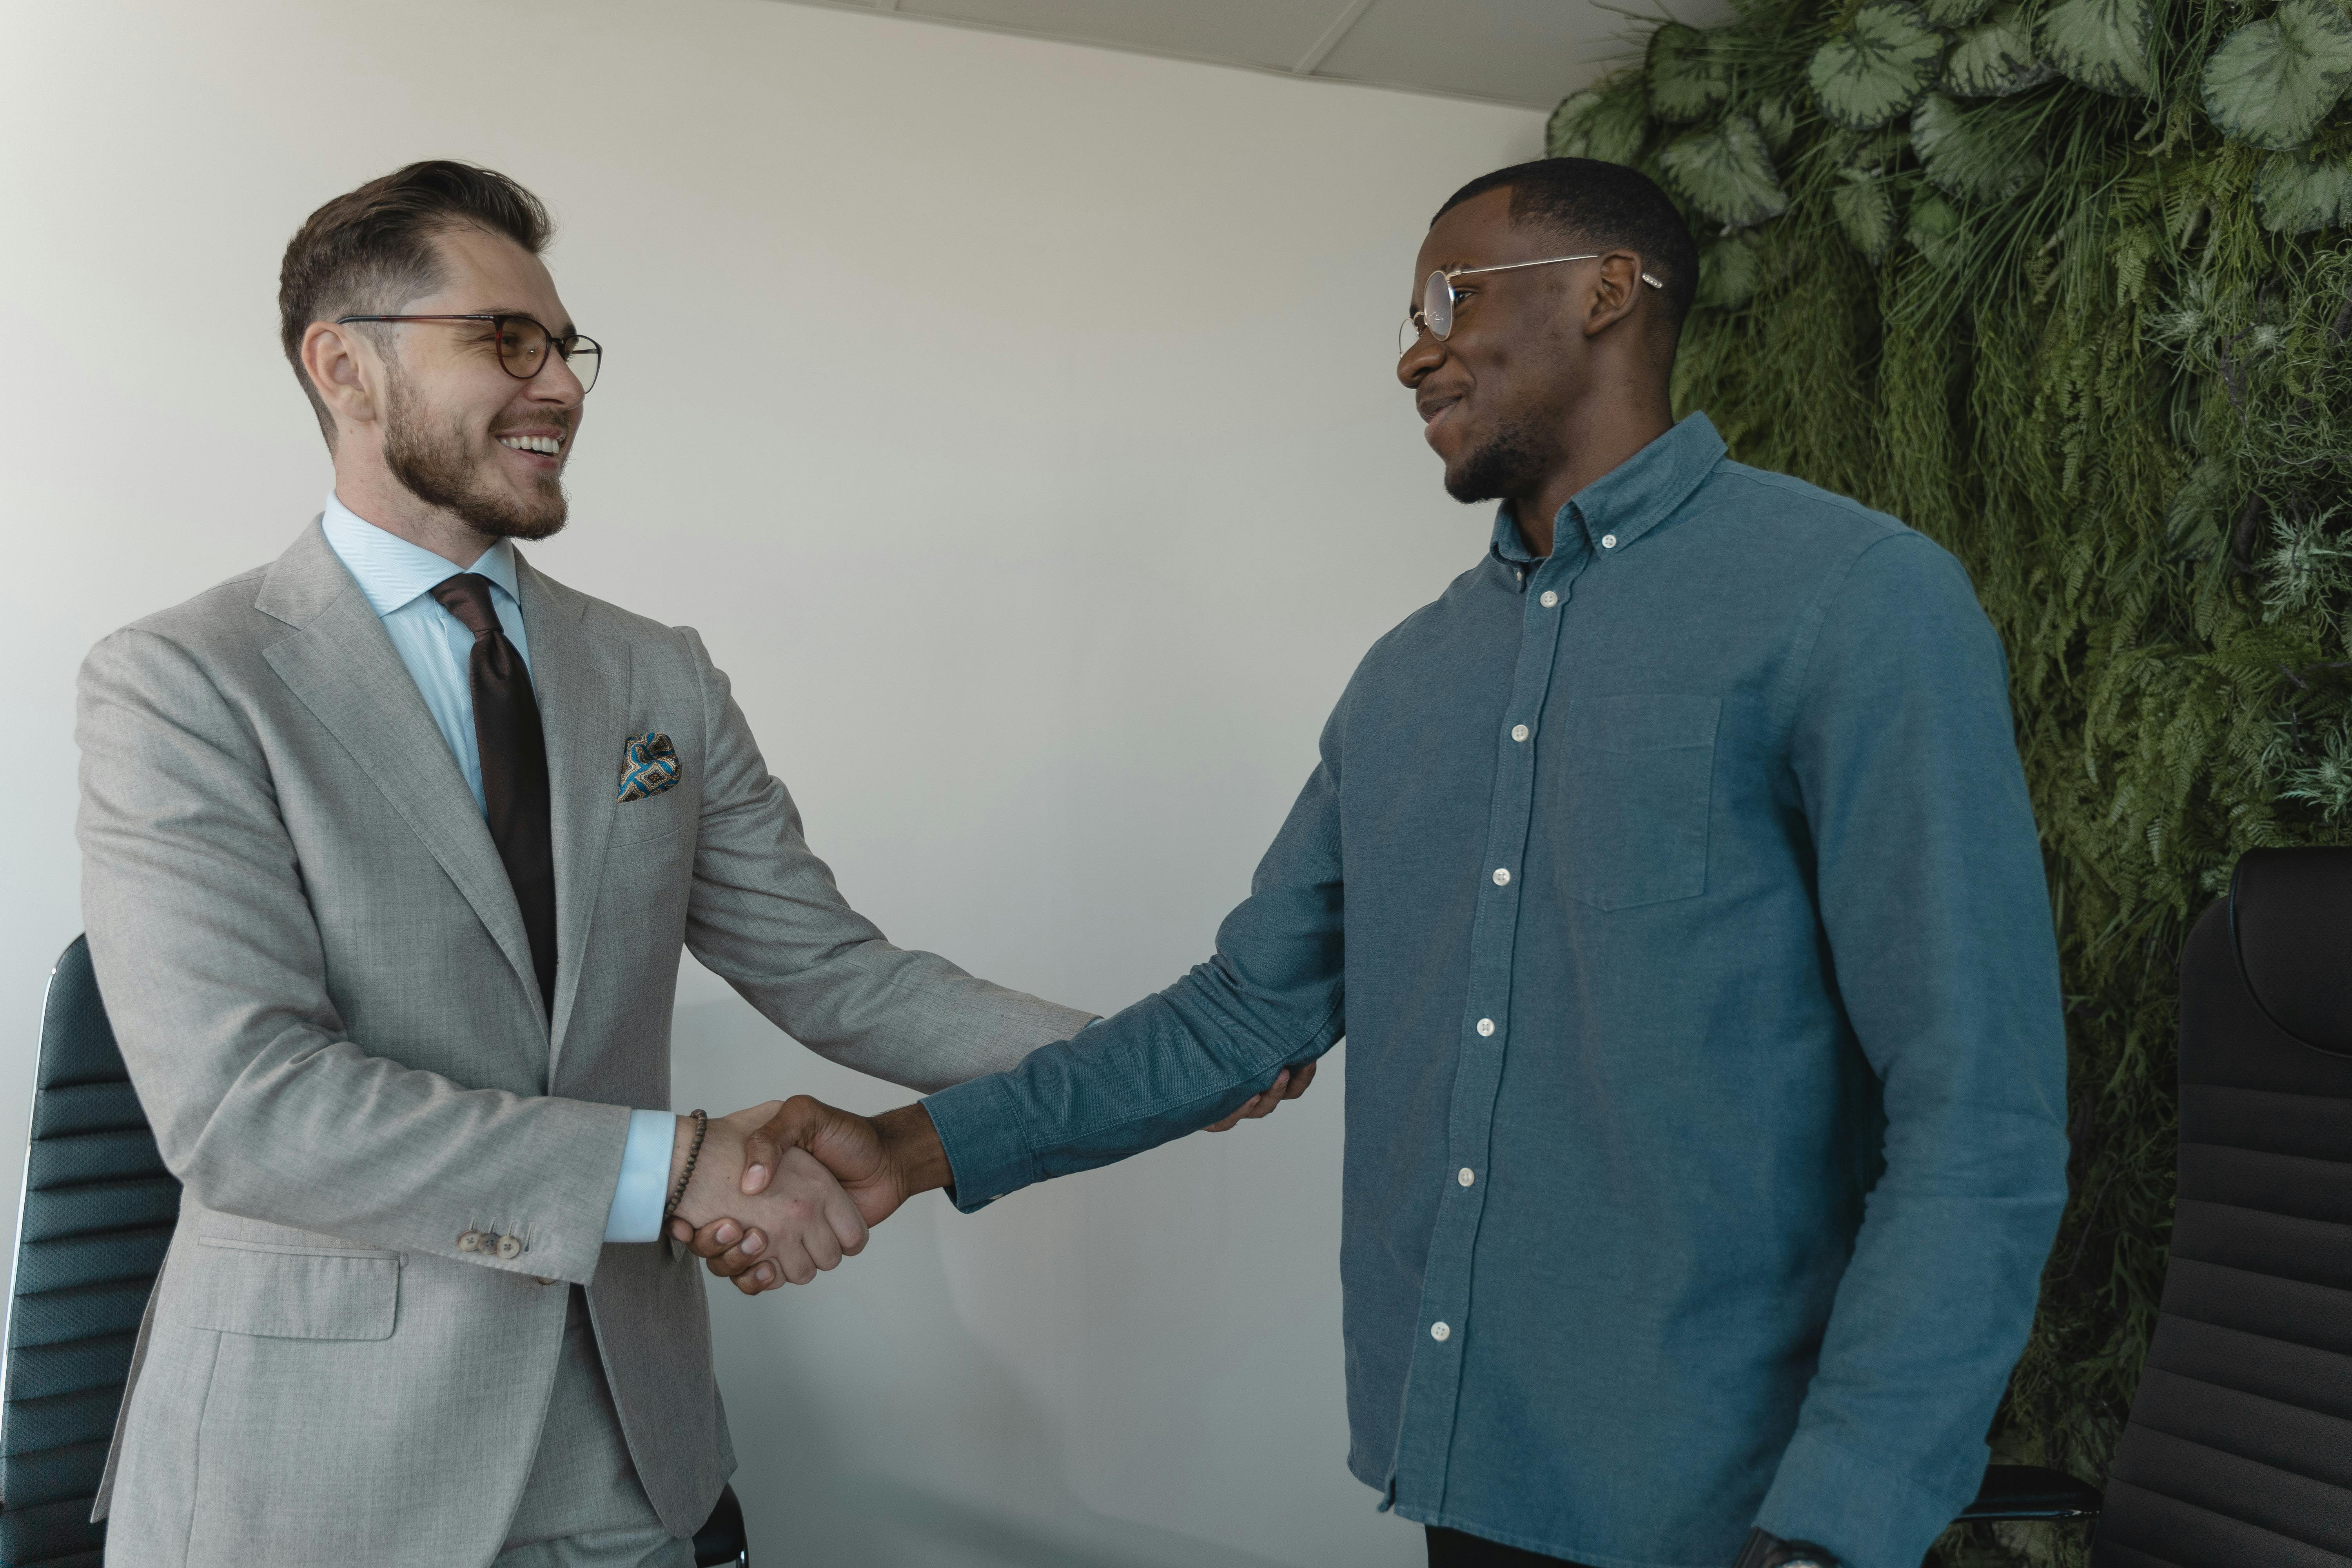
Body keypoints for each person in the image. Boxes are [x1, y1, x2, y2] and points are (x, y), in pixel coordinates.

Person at [701, 159, 2072, 1568]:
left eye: (1449, 297)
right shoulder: (1410, 678)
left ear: (1609, 290)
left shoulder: (1855, 600)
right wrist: (905, 1151)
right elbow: (1245, 1013)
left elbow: (1981, 1118)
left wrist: (1849, 1519)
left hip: (1745, 1508)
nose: (1415, 351)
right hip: (1468, 1467)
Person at [73, 160, 1300, 1568]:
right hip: (316, 1474)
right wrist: (675, 1168)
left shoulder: (656, 673)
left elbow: (836, 973)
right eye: (505, 341)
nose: (561, 387)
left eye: (567, 347)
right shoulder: (183, 682)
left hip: (629, 1453)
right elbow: (246, 1107)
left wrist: (1155, 1063)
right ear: (344, 367)